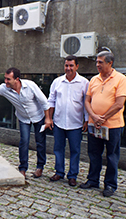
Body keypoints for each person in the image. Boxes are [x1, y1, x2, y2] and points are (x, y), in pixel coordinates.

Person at [80, 51, 126, 197]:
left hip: (113, 125)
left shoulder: (120, 79)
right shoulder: (94, 79)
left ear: (110, 63)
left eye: (100, 62)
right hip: (95, 125)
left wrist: (103, 117)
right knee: (94, 153)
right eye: (97, 62)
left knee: (112, 156)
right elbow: (87, 100)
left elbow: (119, 104)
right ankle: (93, 180)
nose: (97, 65)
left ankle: (110, 185)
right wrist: (94, 116)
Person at [48, 55, 89, 186]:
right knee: (58, 148)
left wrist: (87, 120)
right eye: (66, 65)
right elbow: (51, 101)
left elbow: (87, 103)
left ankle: (72, 175)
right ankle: (59, 172)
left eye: (71, 65)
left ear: (77, 66)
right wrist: (49, 118)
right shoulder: (57, 82)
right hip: (59, 122)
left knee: (75, 150)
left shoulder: (84, 83)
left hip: (75, 123)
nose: (68, 68)